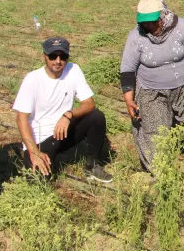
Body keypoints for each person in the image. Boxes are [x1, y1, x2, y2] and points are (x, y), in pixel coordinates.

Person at [120, 0, 184, 174]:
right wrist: (128, 99)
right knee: (154, 129)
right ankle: (158, 168)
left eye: (152, 22)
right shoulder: (136, 36)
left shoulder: (181, 27)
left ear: (162, 16)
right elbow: (127, 70)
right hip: (151, 90)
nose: (148, 27)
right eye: (144, 23)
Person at [13, 37, 112, 182]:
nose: (58, 61)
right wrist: (34, 152)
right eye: (53, 56)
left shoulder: (73, 70)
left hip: (64, 131)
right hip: (41, 139)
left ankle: (93, 166)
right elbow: (21, 119)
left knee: (96, 117)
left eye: (63, 56)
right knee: (37, 180)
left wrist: (68, 115)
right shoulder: (32, 79)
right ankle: (44, 158)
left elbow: (89, 103)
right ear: (44, 57)